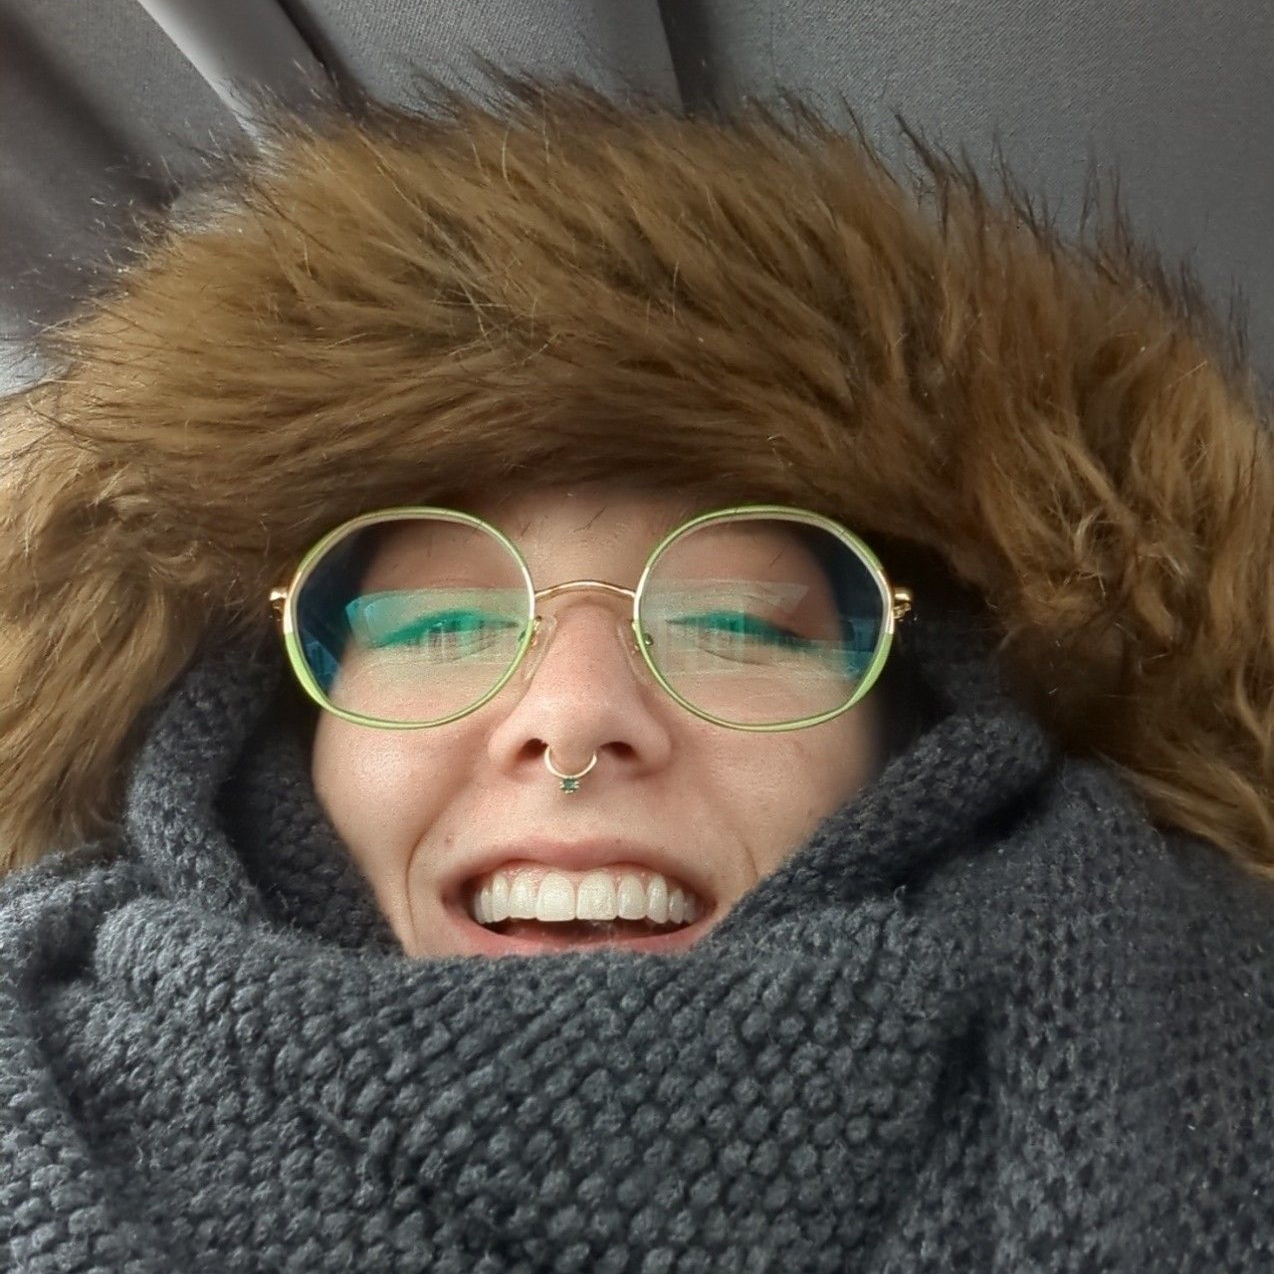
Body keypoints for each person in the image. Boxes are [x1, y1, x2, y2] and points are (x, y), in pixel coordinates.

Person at [0, 79, 1271, 1270]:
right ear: (270, 709)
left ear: (915, 725)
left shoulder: (1210, 1041)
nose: (574, 718)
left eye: (738, 628)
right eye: (438, 628)